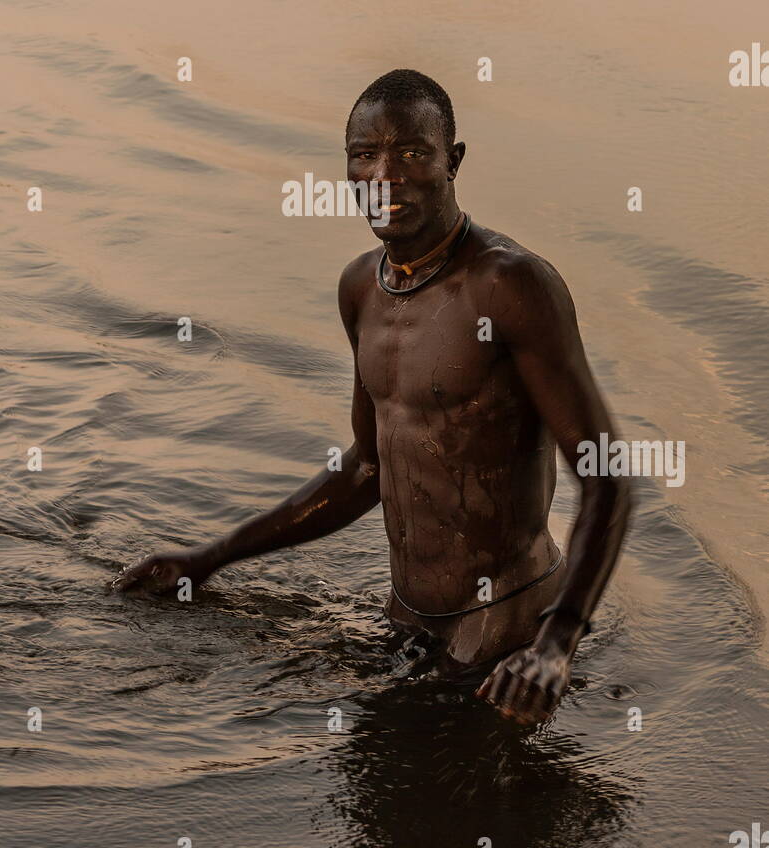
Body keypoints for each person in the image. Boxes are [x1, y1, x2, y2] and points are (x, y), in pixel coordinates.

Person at [115, 69, 631, 727]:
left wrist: (557, 647)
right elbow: (369, 468)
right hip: (405, 618)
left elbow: (608, 481)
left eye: (413, 152)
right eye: (365, 156)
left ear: (453, 162)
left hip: (503, 635)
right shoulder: (362, 287)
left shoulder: (511, 285)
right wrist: (208, 559)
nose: (386, 174)